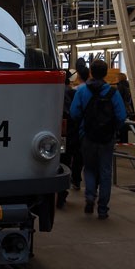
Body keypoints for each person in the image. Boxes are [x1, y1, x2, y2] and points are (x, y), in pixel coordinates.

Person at [69, 59, 127, 220]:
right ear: (106, 73)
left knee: (89, 168)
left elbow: (74, 113)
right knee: (105, 171)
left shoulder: (81, 91)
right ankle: (103, 209)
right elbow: (122, 116)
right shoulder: (112, 93)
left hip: (87, 136)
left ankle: (89, 197)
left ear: (91, 73)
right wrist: (112, 128)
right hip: (107, 138)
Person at [57, 73, 76, 209]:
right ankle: (61, 196)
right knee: (64, 161)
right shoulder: (71, 93)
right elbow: (74, 113)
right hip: (66, 134)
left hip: (52, 134)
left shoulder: (51, 91)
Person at [70, 65, 90, 190]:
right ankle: (95, 187)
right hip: (100, 132)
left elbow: (74, 112)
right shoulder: (104, 90)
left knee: (78, 155)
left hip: (80, 129)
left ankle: (76, 180)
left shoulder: (77, 90)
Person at [115, 73, 135, 143]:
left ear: (120, 78)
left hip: (121, 107)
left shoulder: (120, 86)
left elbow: (118, 98)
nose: (115, 79)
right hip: (128, 108)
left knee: (121, 127)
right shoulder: (128, 86)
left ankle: (122, 141)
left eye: (117, 77)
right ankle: (125, 141)